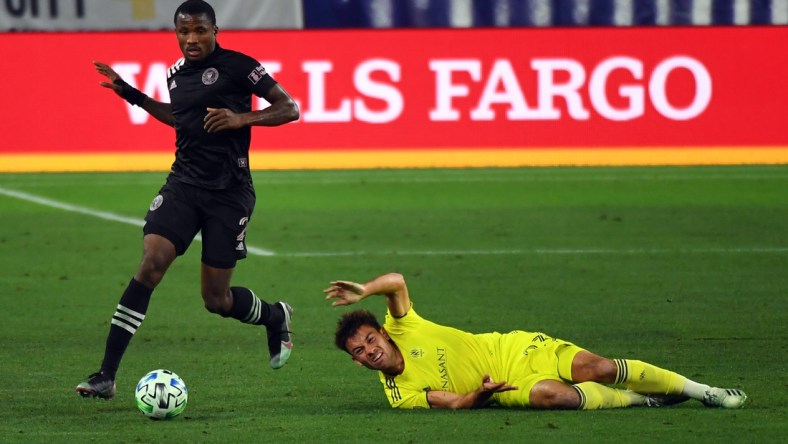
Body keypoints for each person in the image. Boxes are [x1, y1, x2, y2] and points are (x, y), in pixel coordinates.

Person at [77, 0, 299, 399]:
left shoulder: (239, 65)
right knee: (150, 264)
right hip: (183, 185)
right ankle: (106, 376)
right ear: (176, 33)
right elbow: (181, 117)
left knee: (216, 299)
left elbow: (290, 108)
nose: (192, 39)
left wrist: (241, 118)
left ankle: (273, 315)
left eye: (200, 31)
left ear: (215, 30)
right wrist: (131, 94)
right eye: (184, 32)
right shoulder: (176, 74)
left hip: (230, 194)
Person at [325, 272, 748, 410]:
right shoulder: (399, 394)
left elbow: (396, 282)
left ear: (380, 331)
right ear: (358, 363)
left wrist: (364, 290)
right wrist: (481, 393)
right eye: (360, 352)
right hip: (501, 385)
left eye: (368, 339)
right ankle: (641, 399)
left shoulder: (401, 326)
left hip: (511, 349)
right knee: (554, 397)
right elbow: (452, 403)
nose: (370, 350)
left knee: (596, 368)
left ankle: (704, 391)